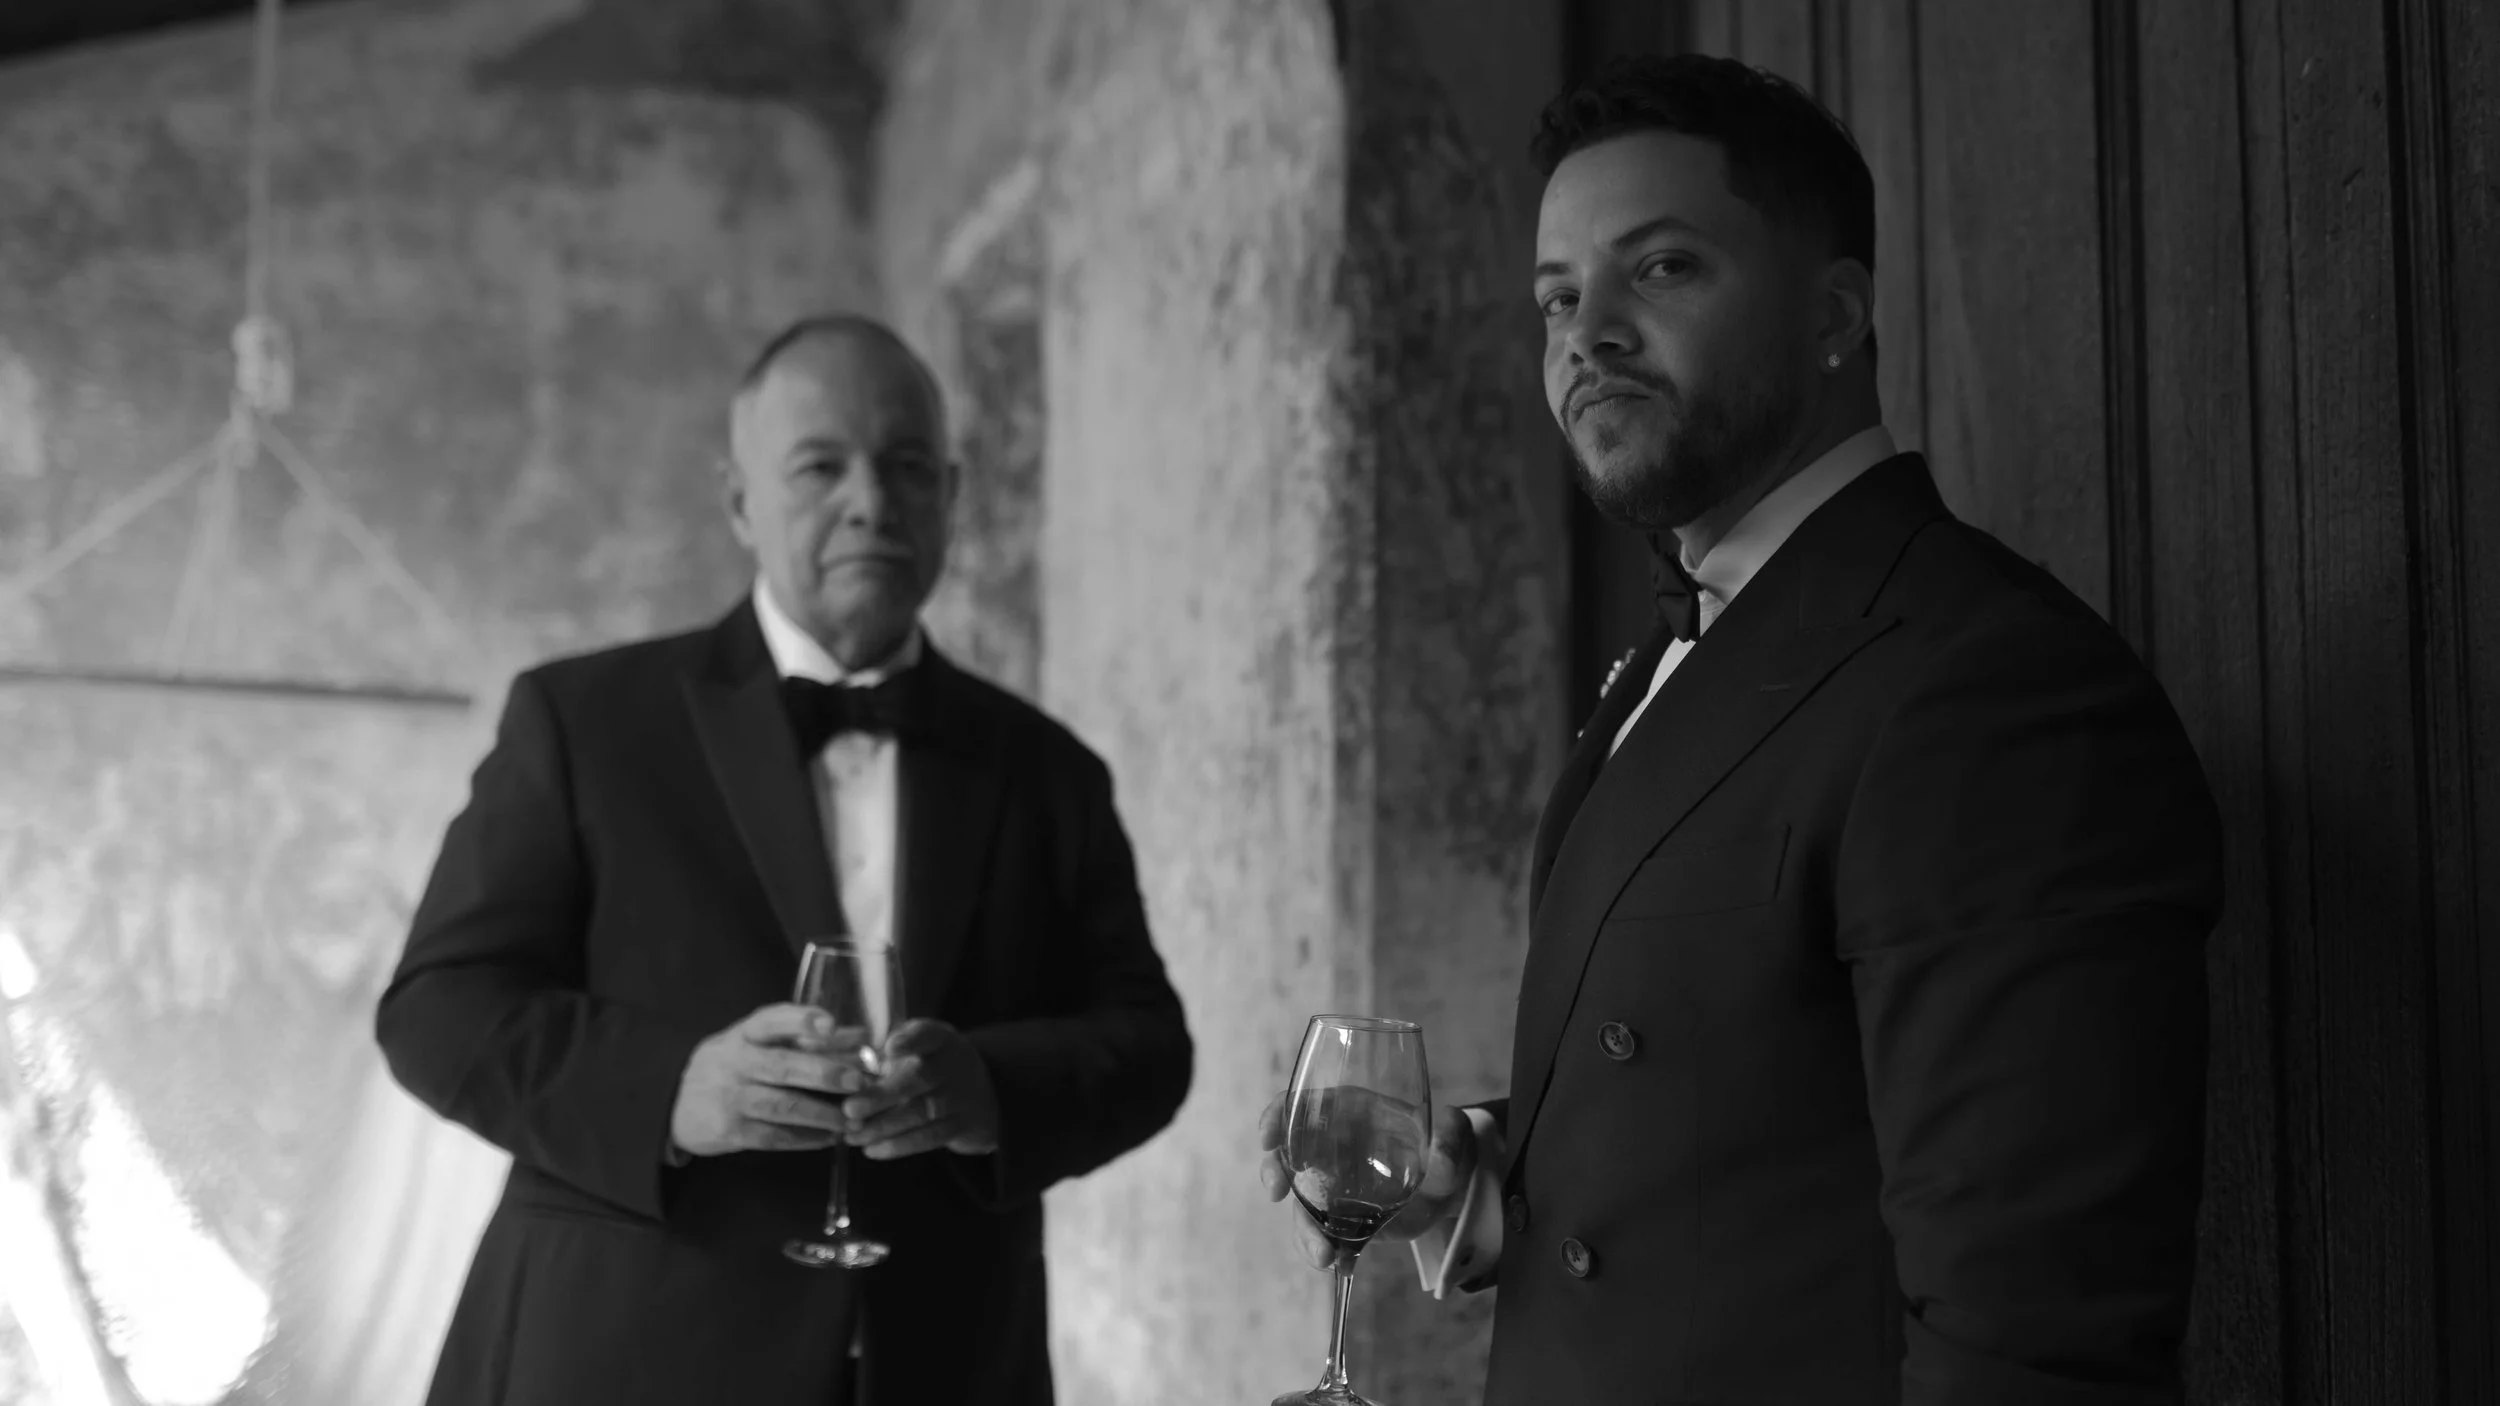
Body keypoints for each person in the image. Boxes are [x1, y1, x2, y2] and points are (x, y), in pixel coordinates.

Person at [1258, 54, 2221, 1403]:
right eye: (1554, 296)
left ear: (1833, 313)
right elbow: (1736, 1147)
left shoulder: (1991, 688)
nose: (1583, 332)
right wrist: (1462, 1184)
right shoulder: (1689, 639)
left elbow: (2032, 1337)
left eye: (1658, 269)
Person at [378, 314, 1193, 1406]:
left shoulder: (1049, 769)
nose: (871, 500)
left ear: (950, 495)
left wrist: (991, 1088)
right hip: (620, 1355)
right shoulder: (583, 720)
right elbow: (436, 1007)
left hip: (952, 1363)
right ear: (737, 501)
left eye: (909, 466)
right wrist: (674, 1087)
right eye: (821, 465)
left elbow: (1148, 1045)